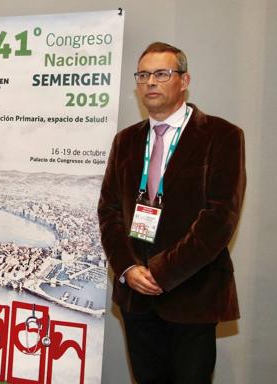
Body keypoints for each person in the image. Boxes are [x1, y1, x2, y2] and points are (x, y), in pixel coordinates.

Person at [98, 42, 246, 383]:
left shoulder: (221, 136)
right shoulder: (126, 141)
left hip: (193, 294)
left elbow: (220, 218)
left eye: (162, 74)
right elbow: (108, 212)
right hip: (136, 297)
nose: (151, 82)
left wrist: (161, 274)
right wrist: (128, 268)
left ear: (184, 80)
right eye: (144, 75)